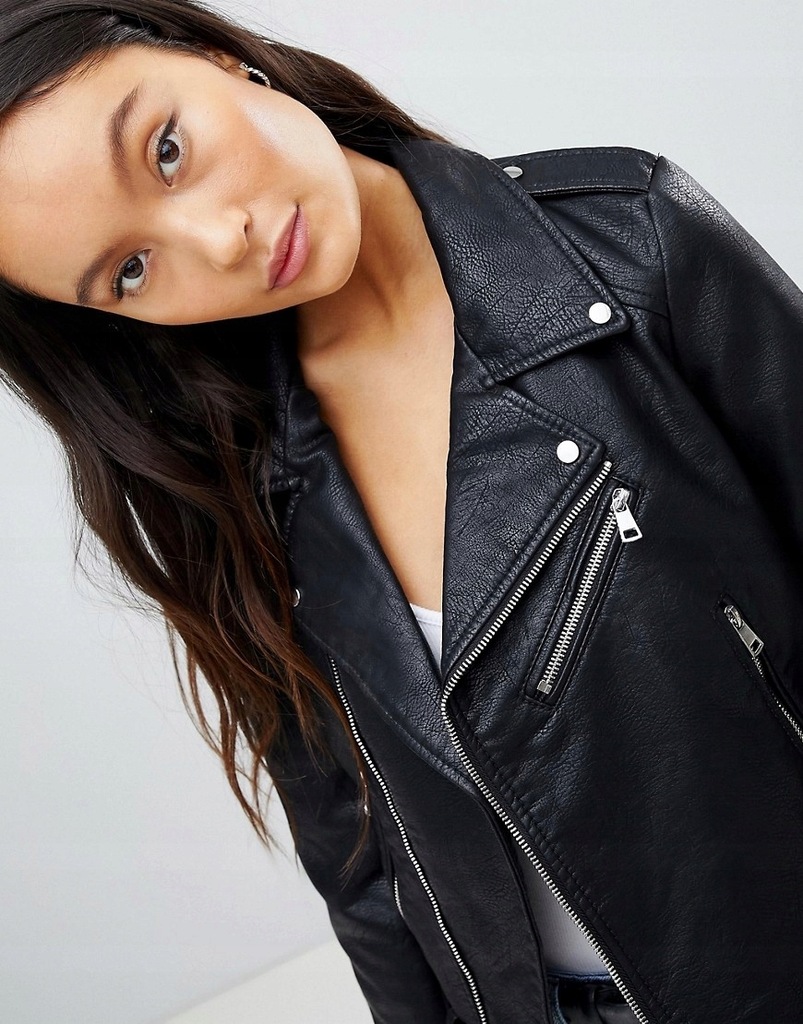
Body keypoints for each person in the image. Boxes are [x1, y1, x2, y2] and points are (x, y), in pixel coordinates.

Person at [0, 1, 801, 1022]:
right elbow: (360, 865)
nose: (217, 237)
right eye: (130, 270)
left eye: (165, 149)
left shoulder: (625, 242)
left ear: (214, 56)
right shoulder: (228, 478)